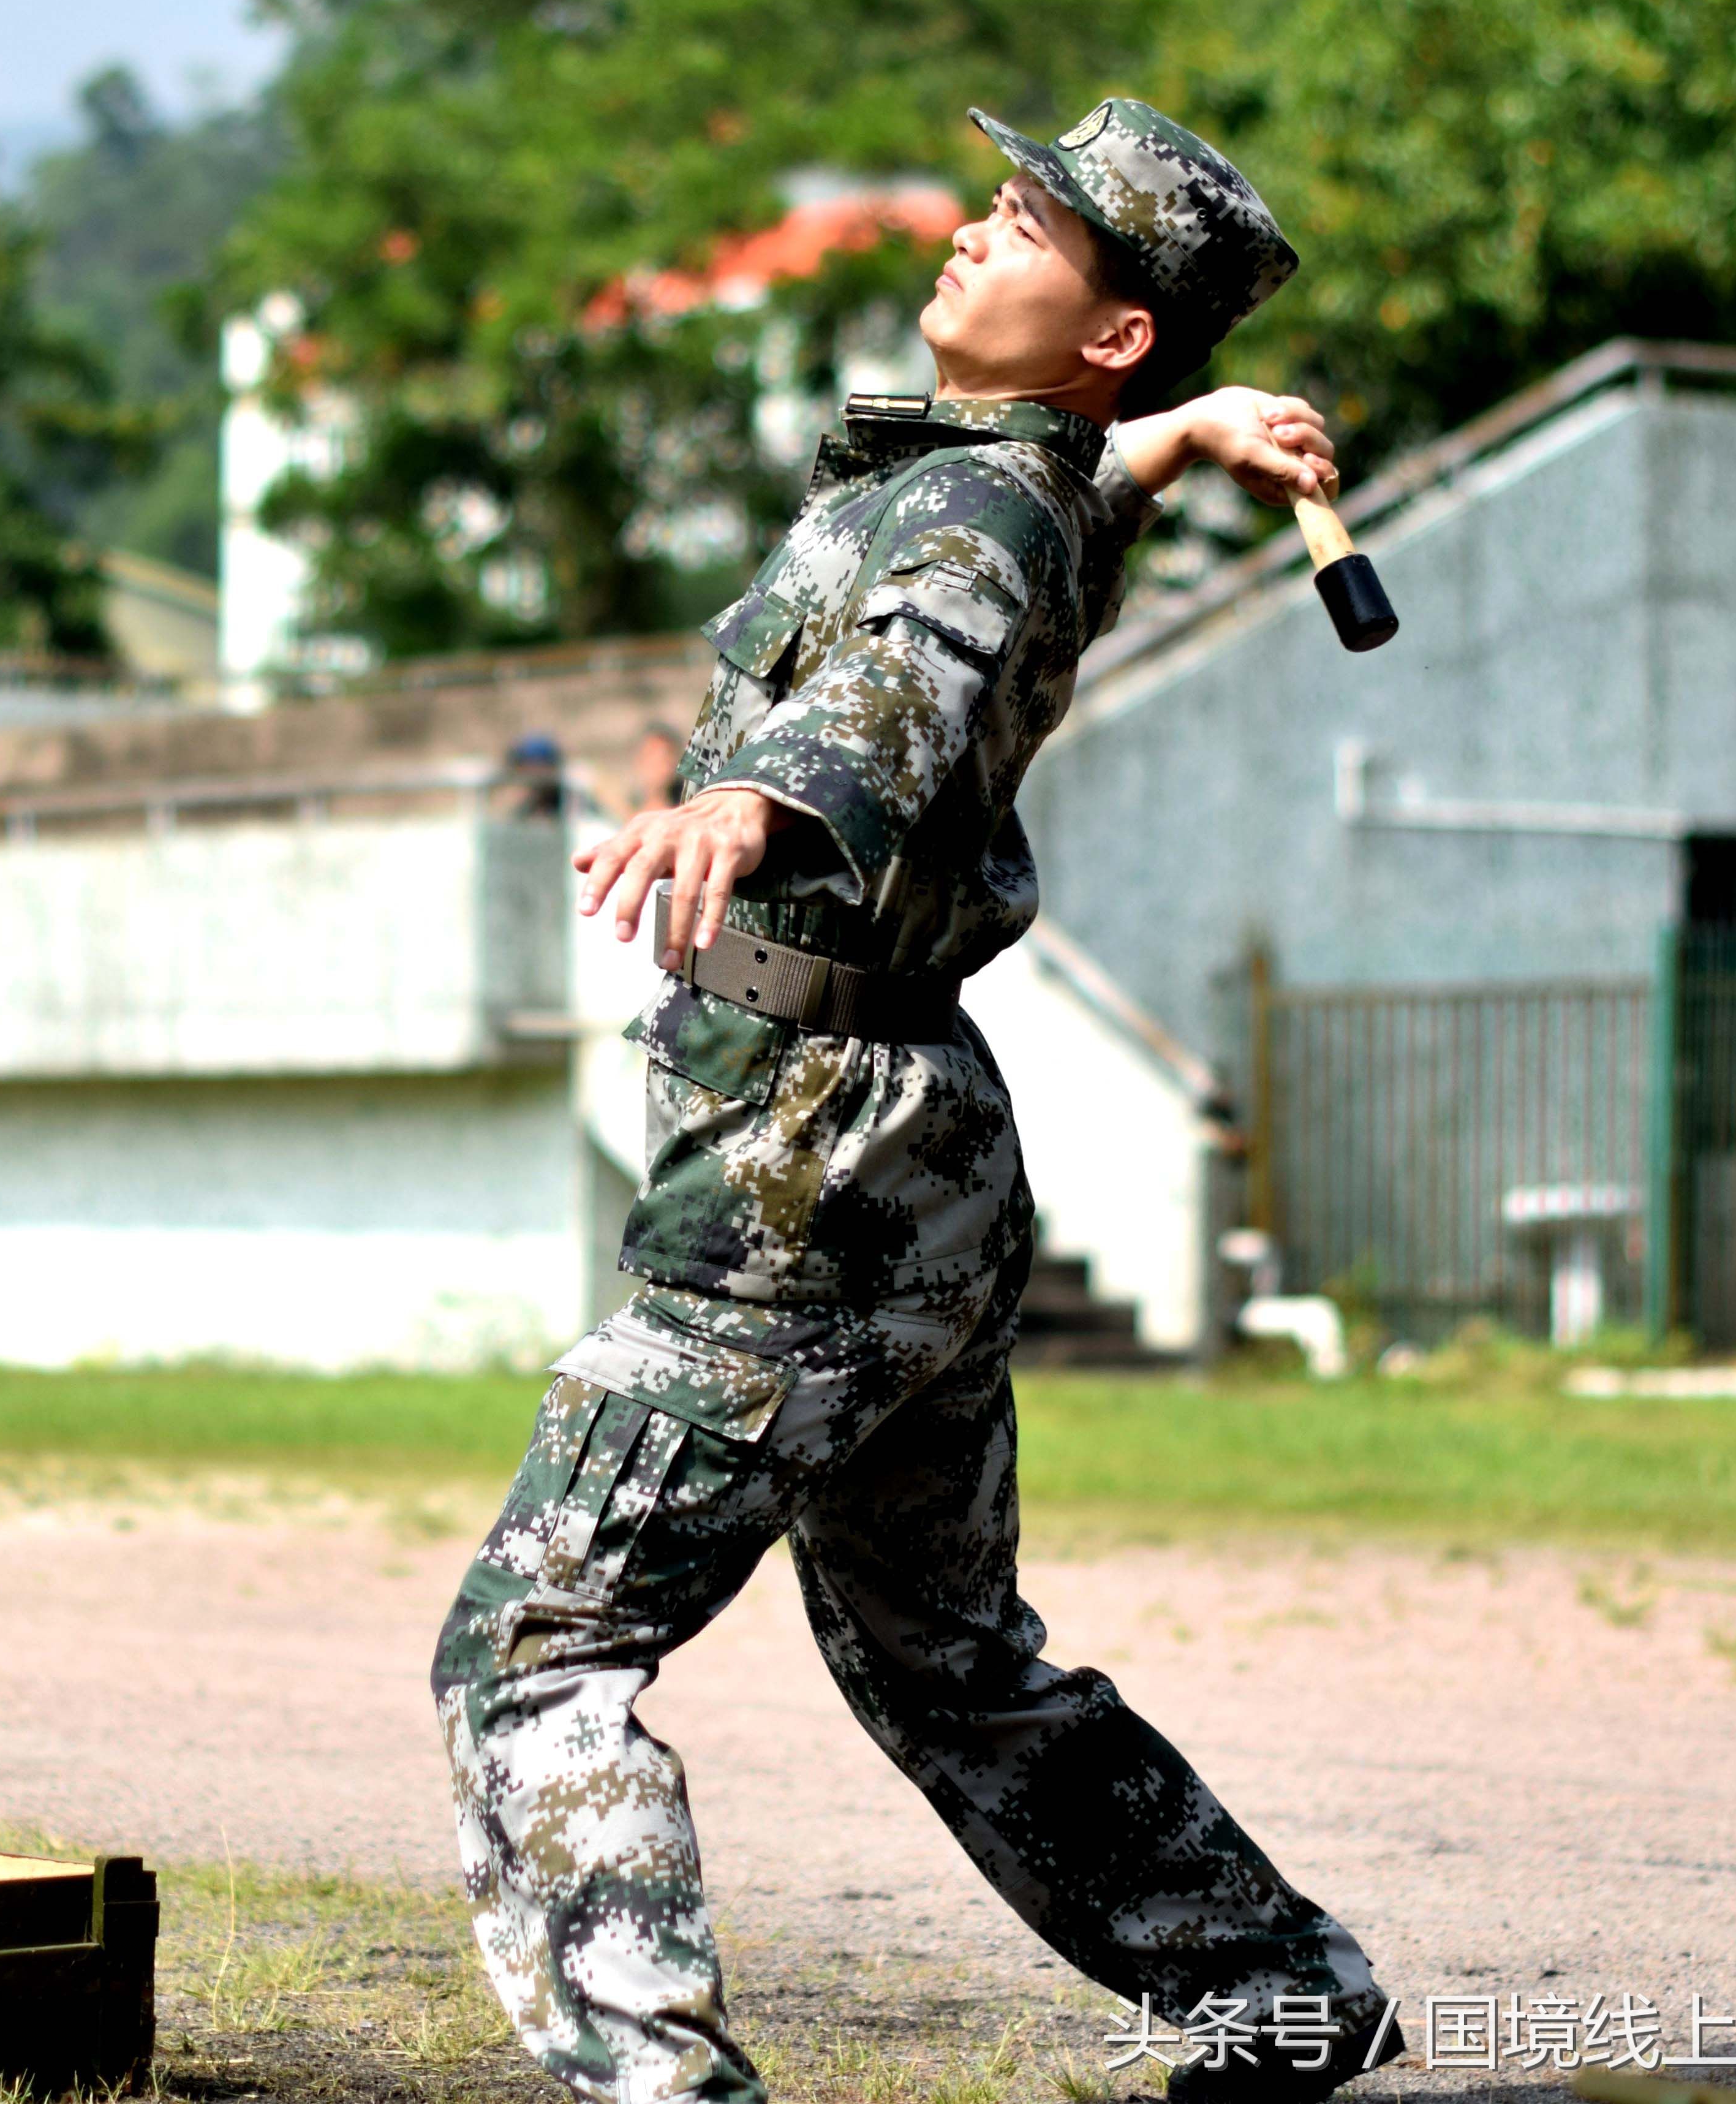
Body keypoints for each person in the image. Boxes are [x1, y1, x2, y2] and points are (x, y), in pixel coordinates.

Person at [431, 104, 1399, 2104]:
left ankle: (653, 2087)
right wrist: (1185, 440)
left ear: (1109, 325)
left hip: (812, 1157)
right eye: (994, 199)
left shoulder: (967, 524)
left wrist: (759, 793)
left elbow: (905, 686)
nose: (973, 232)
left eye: (1030, 224)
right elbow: (1037, 512)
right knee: (947, 1661)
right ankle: (1272, 1988)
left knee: (531, 1642)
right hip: (900, 1145)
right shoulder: (1016, 480)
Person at [629, 721, 687, 814]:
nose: (654, 766)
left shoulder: (685, 816)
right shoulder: (617, 818)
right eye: (649, 755)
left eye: (662, 759)